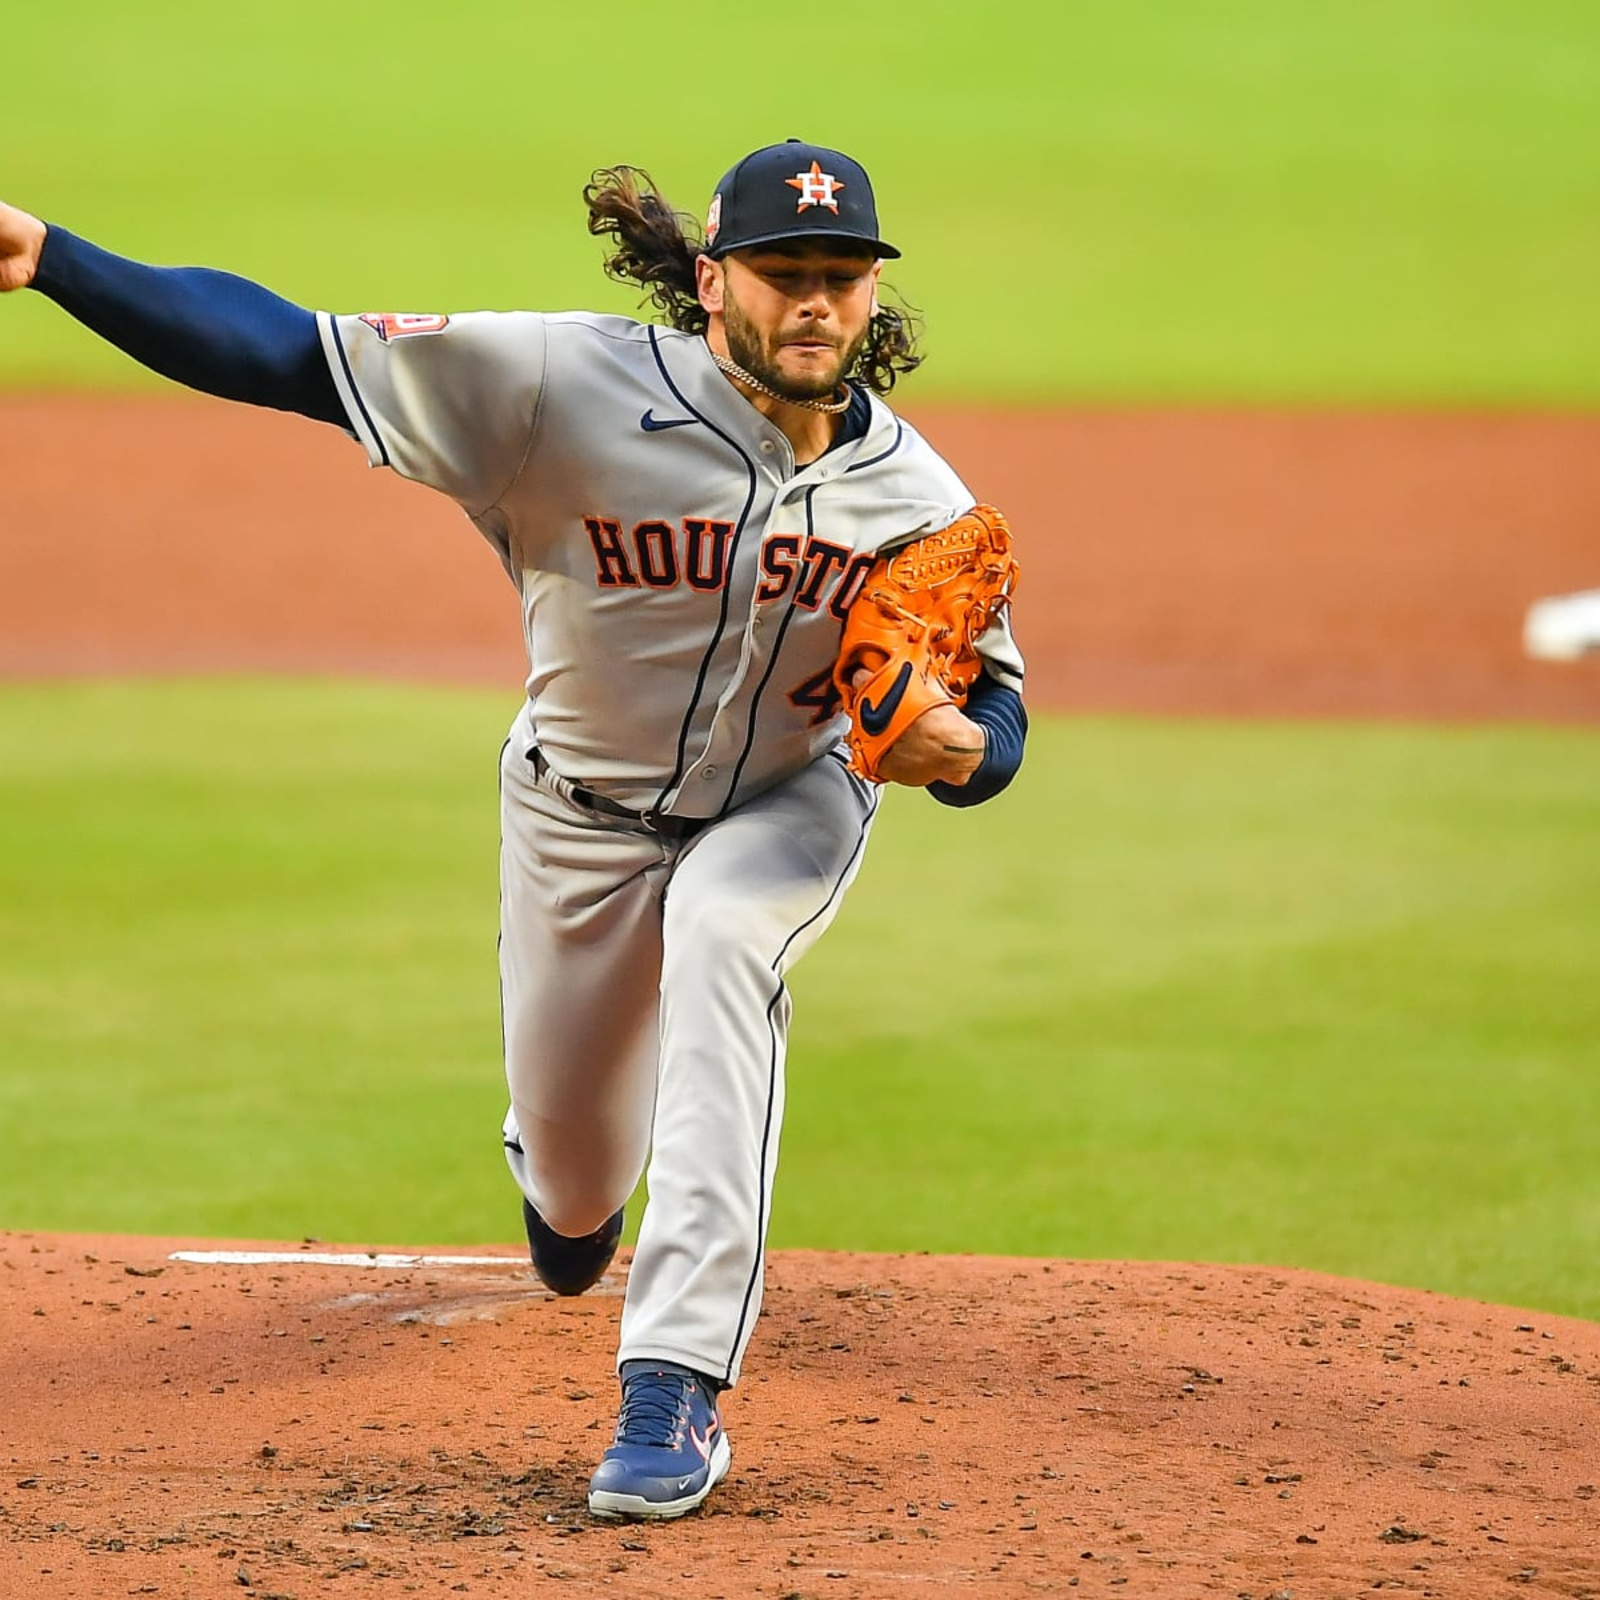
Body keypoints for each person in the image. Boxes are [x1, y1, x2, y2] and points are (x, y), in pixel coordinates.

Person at [0, 138, 1027, 1520]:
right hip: (576, 816)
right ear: (712, 279)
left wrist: (954, 750)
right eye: (784, 273)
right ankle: (571, 1200)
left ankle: (672, 1391)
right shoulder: (562, 386)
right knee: (571, 1192)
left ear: (871, 294)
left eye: (841, 278)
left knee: (728, 942)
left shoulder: (922, 502)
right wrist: (58, 263)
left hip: (789, 802)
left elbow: (995, 723)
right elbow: (287, 354)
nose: (814, 303)